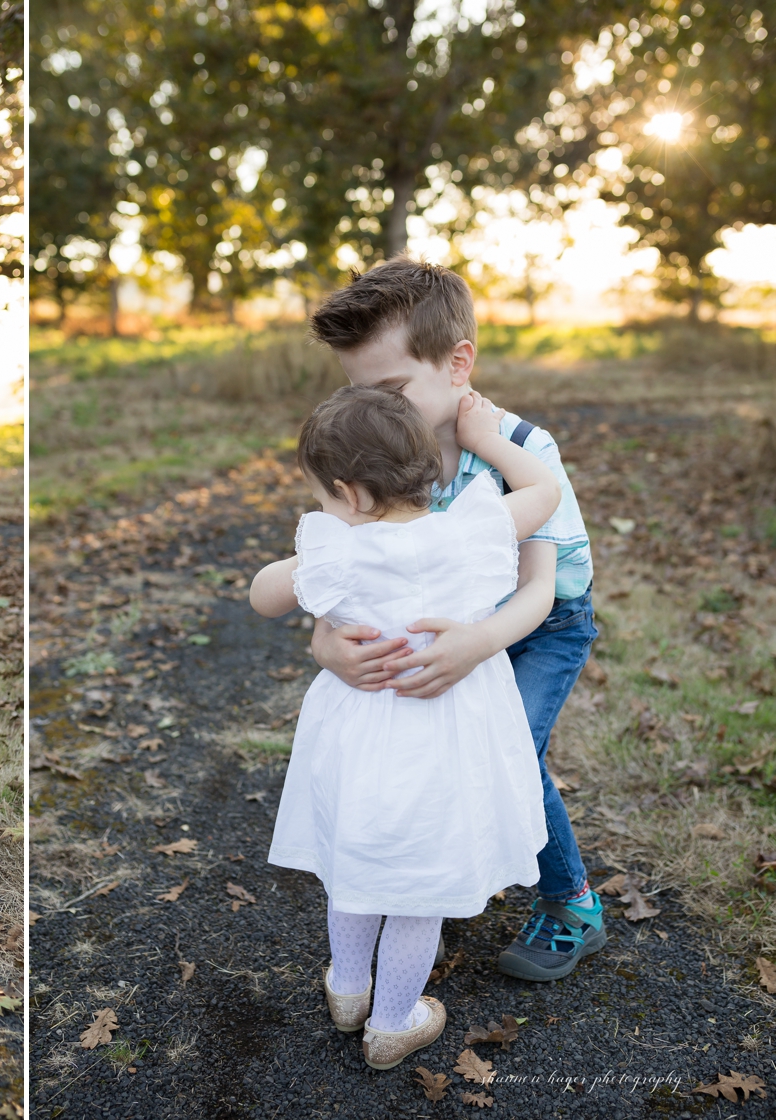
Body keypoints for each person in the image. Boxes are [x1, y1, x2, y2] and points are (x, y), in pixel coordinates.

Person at [305, 258, 603, 983]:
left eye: (394, 390)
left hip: (539, 626)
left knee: (508, 749)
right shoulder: (377, 452)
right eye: (360, 393)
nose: (379, 410)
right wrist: (323, 640)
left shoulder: (521, 451)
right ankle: (422, 880)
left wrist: (480, 644)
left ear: (458, 363)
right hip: (453, 625)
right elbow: (349, 566)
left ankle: (572, 903)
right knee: (418, 752)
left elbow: (537, 589)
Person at [249, 385, 557, 1069]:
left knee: (358, 871)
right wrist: (484, 439)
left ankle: (348, 990)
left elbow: (263, 595)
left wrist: (311, 560)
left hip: (362, 740)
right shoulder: (473, 529)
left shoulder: (337, 553)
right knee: (421, 891)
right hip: (449, 739)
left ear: (347, 495)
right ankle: (393, 1024)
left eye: (327, 499)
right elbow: (543, 490)